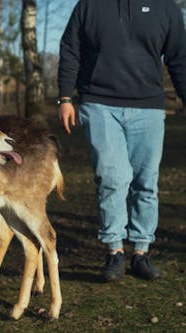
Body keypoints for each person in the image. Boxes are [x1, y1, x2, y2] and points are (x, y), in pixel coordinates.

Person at [57, 0, 186, 281]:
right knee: (112, 177)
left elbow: (179, 58)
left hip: (149, 107)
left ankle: (141, 252)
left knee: (146, 181)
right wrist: (65, 97)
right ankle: (114, 250)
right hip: (99, 104)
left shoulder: (166, 8)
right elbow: (71, 49)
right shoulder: (89, 6)